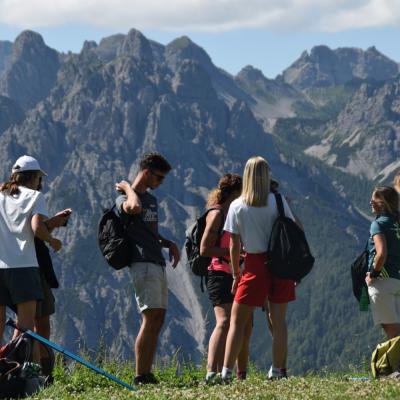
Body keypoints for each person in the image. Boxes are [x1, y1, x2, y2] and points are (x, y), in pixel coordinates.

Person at [220, 156, 297, 382]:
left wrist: (236, 273)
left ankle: (225, 372)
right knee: (279, 321)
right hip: (280, 265)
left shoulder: (237, 205)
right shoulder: (279, 201)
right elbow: (294, 230)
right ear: (267, 176)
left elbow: (234, 244)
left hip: (253, 264)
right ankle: (277, 370)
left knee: (237, 321)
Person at [115, 152, 180, 385]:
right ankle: (140, 375)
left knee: (158, 317)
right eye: (159, 178)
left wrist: (168, 243)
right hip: (141, 262)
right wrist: (128, 187)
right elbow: (132, 208)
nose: (160, 183)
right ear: (146, 173)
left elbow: (149, 232)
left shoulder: (152, 200)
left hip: (156, 260)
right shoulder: (124, 197)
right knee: (150, 316)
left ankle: (147, 372)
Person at [0, 155, 62, 363]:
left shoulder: (0, 195)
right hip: (24, 268)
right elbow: (36, 229)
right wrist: (52, 240)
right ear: (34, 177)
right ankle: (28, 377)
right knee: (26, 331)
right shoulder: (35, 197)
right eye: (38, 178)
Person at [200, 173, 252, 383]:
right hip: (219, 273)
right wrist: (233, 253)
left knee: (238, 324)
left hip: (233, 273)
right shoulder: (217, 214)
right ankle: (211, 371)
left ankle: (225, 372)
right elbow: (205, 249)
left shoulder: (231, 212)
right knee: (223, 322)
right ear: (234, 193)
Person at [365, 186, 400, 340]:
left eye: (374, 199)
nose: (370, 202)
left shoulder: (378, 224)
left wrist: (373, 274)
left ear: (383, 203)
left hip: (382, 281)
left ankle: (393, 364)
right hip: (398, 279)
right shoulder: (397, 222)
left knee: (392, 334)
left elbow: (381, 253)